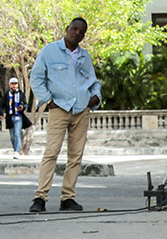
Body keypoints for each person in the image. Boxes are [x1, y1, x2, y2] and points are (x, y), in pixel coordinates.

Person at [28, 17, 102, 213]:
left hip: (81, 110)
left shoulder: (85, 56)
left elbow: (94, 82)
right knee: (51, 153)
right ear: (67, 28)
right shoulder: (49, 51)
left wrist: (95, 98)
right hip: (59, 108)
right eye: (75, 29)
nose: (77, 33)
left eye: (81, 32)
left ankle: (68, 198)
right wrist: (48, 100)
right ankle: (40, 197)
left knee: (75, 156)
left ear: (83, 36)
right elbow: (36, 78)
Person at [5, 77, 28, 158]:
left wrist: (22, 107)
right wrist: (1, 114)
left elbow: (25, 104)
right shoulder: (7, 94)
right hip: (10, 117)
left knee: (17, 133)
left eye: (15, 84)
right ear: (9, 85)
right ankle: (15, 149)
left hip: (18, 117)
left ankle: (16, 151)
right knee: (12, 136)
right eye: (12, 84)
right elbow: (2, 104)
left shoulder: (21, 94)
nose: (14, 85)